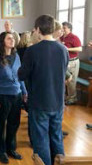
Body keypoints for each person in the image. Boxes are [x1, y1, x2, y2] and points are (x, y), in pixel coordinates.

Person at [18, 15, 69, 165]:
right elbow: (62, 72)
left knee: (40, 139)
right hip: (58, 102)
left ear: (38, 30)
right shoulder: (63, 49)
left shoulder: (32, 51)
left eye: (34, 30)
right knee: (56, 135)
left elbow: (22, 75)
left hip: (39, 102)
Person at [0, 32, 27, 164]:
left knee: (13, 123)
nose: (12, 40)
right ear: (2, 41)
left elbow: (20, 75)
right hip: (2, 95)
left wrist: (24, 92)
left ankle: (11, 148)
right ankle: (1, 150)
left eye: (13, 38)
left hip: (16, 95)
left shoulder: (16, 56)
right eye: (9, 38)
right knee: (0, 123)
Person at [60, 22, 82, 105]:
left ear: (69, 29)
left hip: (73, 61)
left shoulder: (74, 37)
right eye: (62, 28)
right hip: (65, 61)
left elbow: (79, 49)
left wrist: (67, 49)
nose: (63, 29)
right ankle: (66, 97)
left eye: (64, 28)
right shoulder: (61, 37)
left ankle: (72, 98)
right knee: (64, 80)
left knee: (71, 81)